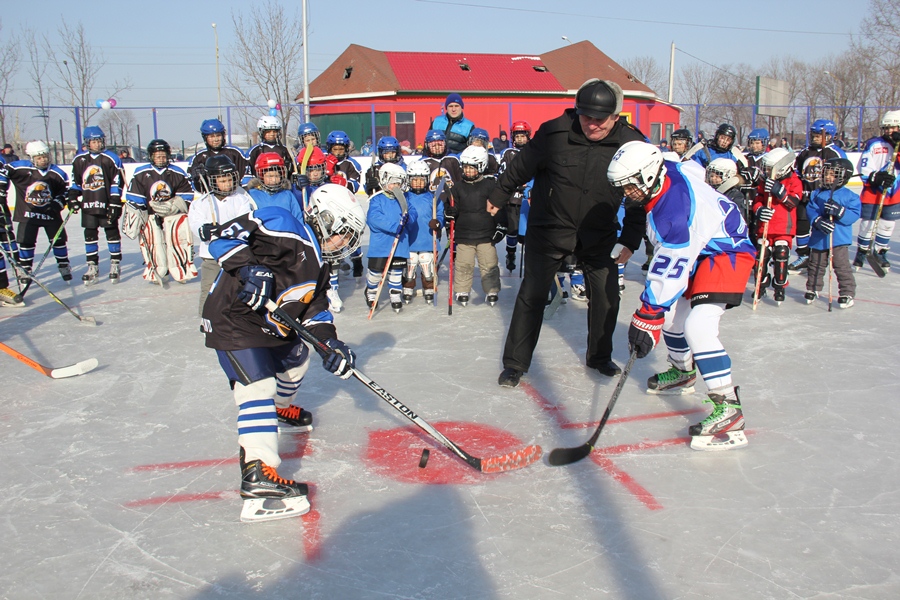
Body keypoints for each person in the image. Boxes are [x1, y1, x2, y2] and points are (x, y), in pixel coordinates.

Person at [200, 191, 365, 522]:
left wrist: (330, 344)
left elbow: (315, 312)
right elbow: (220, 238)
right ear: (325, 219)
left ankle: (277, 411)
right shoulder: (282, 223)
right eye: (343, 231)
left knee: (298, 357)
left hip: (271, 328)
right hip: (234, 320)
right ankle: (258, 476)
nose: (345, 240)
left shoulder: (320, 268)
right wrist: (248, 268)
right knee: (256, 388)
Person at [486, 79, 646, 387]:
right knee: (532, 295)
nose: (592, 125)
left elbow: (639, 192)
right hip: (550, 228)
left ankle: (599, 357)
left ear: (616, 116)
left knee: (606, 295)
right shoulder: (554, 132)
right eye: (586, 117)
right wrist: (499, 193)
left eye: (600, 120)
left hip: (599, 233)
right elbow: (522, 166)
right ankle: (515, 364)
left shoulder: (630, 143)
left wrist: (630, 238)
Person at [608, 141, 755, 451]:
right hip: (704, 247)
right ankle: (683, 372)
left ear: (648, 177)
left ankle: (729, 409)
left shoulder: (673, 216)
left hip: (727, 251)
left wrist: (647, 316)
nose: (626, 193)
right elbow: (688, 167)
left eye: (630, 186)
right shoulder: (668, 170)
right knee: (675, 319)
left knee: (698, 325)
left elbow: (667, 273)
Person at [188, 155, 254, 315]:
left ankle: (238, 319)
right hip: (211, 258)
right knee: (209, 289)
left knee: (238, 289)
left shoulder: (241, 200)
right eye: (222, 180)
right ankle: (207, 319)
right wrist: (203, 229)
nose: (227, 184)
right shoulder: (202, 203)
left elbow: (244, 222)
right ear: (212, 180)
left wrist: (223, 230)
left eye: (230, 179)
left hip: (236, 256)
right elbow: (195, 223)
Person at [123, 139, 197, 285]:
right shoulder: (141, 173)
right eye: (157, 156)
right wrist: (141, 211)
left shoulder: (177, 172)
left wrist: (175, 206)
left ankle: (180, 269)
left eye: (163, 156)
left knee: (178, 241)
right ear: (151, 156)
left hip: (172, 216)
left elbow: (187, 195)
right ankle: (158, 269)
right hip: (151, 215)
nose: (161, 159)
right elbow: (134, 196)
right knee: (154, 242)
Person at [0, 141, 71, 289]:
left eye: (45, 156)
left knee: (58, 240)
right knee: (26, 242)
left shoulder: (57, 173)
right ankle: (26, 269)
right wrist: (1, 188)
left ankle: (63, 264)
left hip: (49, 214)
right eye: (39, 158)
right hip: (28, 213)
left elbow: (65, 191)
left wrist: (57, 203)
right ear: (31, 158)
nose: (43, 160)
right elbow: (3, 171)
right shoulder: (20, 168)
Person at [447, 146, 504, 307]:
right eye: (465, 168)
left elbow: (499, 208)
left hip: (486, 234)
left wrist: (501, 226)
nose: (467, 172)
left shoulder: (490, 185)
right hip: (464, 235)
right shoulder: (457, 187)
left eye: (471, 168)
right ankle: (462, 290)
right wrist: (450, 212)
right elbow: (453, 207)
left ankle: (492, 290)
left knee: (489, 264)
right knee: (463, 265)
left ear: (481, 167)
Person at [69, 126, 125, 285]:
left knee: (111, 232)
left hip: (106, 204)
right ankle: (92, 266)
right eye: (94, 141)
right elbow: (76, 182)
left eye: (99, 141)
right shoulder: (79, 160)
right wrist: (73, 196)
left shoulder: (111, 158)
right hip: (88, 204)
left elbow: (116, 182)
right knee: (90, 234)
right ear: (87, 143)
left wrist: (115, 201)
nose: (97, 144)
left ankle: (115, 263)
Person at [790, 119, 847, 273]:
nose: (814, 137)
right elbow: (796, 172)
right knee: (801, 226)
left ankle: (819, 256)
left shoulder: (834, 153)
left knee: (821, 226)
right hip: (805, 196)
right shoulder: (805, 152)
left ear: (829, 136)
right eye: (813, 134)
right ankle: (803, 256)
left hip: (823, 197)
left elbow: (843, 173)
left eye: (818, 135)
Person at [804, 157, 860, 307]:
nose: (827, 177)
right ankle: (813, 288)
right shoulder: (817, 193)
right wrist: (817, 220)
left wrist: (840, 211)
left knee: (841, 266)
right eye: (826, 173)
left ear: (843, 177)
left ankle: (847, 292)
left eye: (832, 174)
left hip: (839, 239)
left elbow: (853, 215)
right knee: (815, 265)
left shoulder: (849, 196)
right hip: (819, 238)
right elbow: (811, 209)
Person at [751, 148, 802, 305]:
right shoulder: (764, 181)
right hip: (765, 226)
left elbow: (793, 202)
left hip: (783, 227)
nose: (767, 171)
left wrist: (781, 193)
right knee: (761, 255)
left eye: (770, 168)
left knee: (781, 253)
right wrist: (759, 210)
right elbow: (757, 199)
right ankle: (761, 283)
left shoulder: (794, 181)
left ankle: (780, 285)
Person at [365, 163, 417, 312]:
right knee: (375, 273)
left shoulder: (404, 199)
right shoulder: (377, 199)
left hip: (399, 245)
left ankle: (395, 295)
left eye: (398, 183)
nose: (395, 186)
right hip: (381, 246)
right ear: (384, 181)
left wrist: (409, 218)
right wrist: (395, 226)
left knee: (396, 272)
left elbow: (412, 212)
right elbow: (374, 219)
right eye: (392, 183)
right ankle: (371, 291)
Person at [853, 110, 900, 272]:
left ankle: (880, 251)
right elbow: (864, 165)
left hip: (893, 193)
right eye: (886, 128)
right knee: (868, 223)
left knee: (887, 225)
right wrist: (876, 177)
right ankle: (862, 251)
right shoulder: (874, 143)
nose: (889, 131)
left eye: (893, 128)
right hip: (873, 193)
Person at [402, 160, 443, 304]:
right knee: (411, 261)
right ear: (408, 180)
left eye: (421, 180)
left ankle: (429, 286)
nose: (418, 183)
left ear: (427, 180)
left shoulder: (433, 197)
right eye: (414, 180)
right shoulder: (405, 197)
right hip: (410, 238)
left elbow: (440, 214)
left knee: (427, 261)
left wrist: (438, 223)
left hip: (427, 237)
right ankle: (408, 286)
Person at [499, 120, 532, 273]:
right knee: (512, 230)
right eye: (517, 136)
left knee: (528, 232)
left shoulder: (534, 151)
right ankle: (510, 254)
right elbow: (503, 174)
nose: (520, 139)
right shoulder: (508, 153)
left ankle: (531, 258)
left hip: (528, 199)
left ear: (528, 136)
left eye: (522, 136)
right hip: (512, 199)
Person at [188, 119, 250, 189]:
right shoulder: (199, 157)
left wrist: (242, 189)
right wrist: (197, 179)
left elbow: (246, 173)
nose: (216, 139)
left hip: (235, 193)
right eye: (212, 136)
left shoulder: (235, 153)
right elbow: (190, 182)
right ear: (205, 138)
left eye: (218, 135)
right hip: (210, 196)